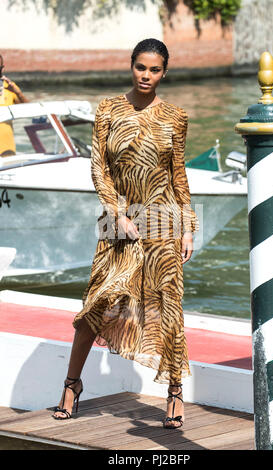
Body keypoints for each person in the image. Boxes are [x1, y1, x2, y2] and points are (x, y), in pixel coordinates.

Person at [52, 38, 199, 429]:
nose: (146, 75)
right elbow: (98, 167)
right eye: (140, 67)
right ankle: (72, 383)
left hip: (164, 219)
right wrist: (117, 213)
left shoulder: (176, 117)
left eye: (154, 69)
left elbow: (178, 175)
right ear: (131, 66)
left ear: (165, 72)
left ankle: (173, 391)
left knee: (168, 306)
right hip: (117, 219)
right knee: (95, 305)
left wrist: (188, 227)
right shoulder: (109, 109)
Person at [0, 54, 29, 156]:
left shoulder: (10, 87)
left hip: (7, 149)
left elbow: (28, 110)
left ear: (2, 69)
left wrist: (18, 93)